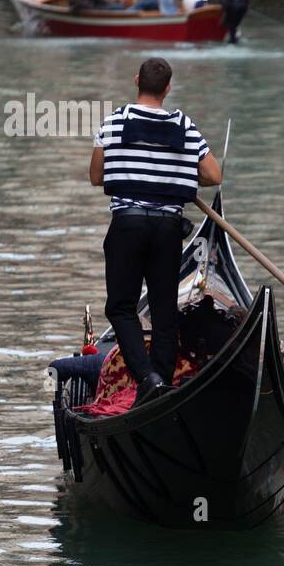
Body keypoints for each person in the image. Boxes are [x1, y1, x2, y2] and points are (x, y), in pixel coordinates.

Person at [88, 58, 222, 408]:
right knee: (165, 310)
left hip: (128, 224)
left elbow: (97, 175)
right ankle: (161, 383)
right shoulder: (184, 126)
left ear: (136, 81)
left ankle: (147, 378)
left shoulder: (114, 122)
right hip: (166, 228)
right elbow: (214, 174)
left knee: (121, 307)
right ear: (168, 88)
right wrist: (183, 176)